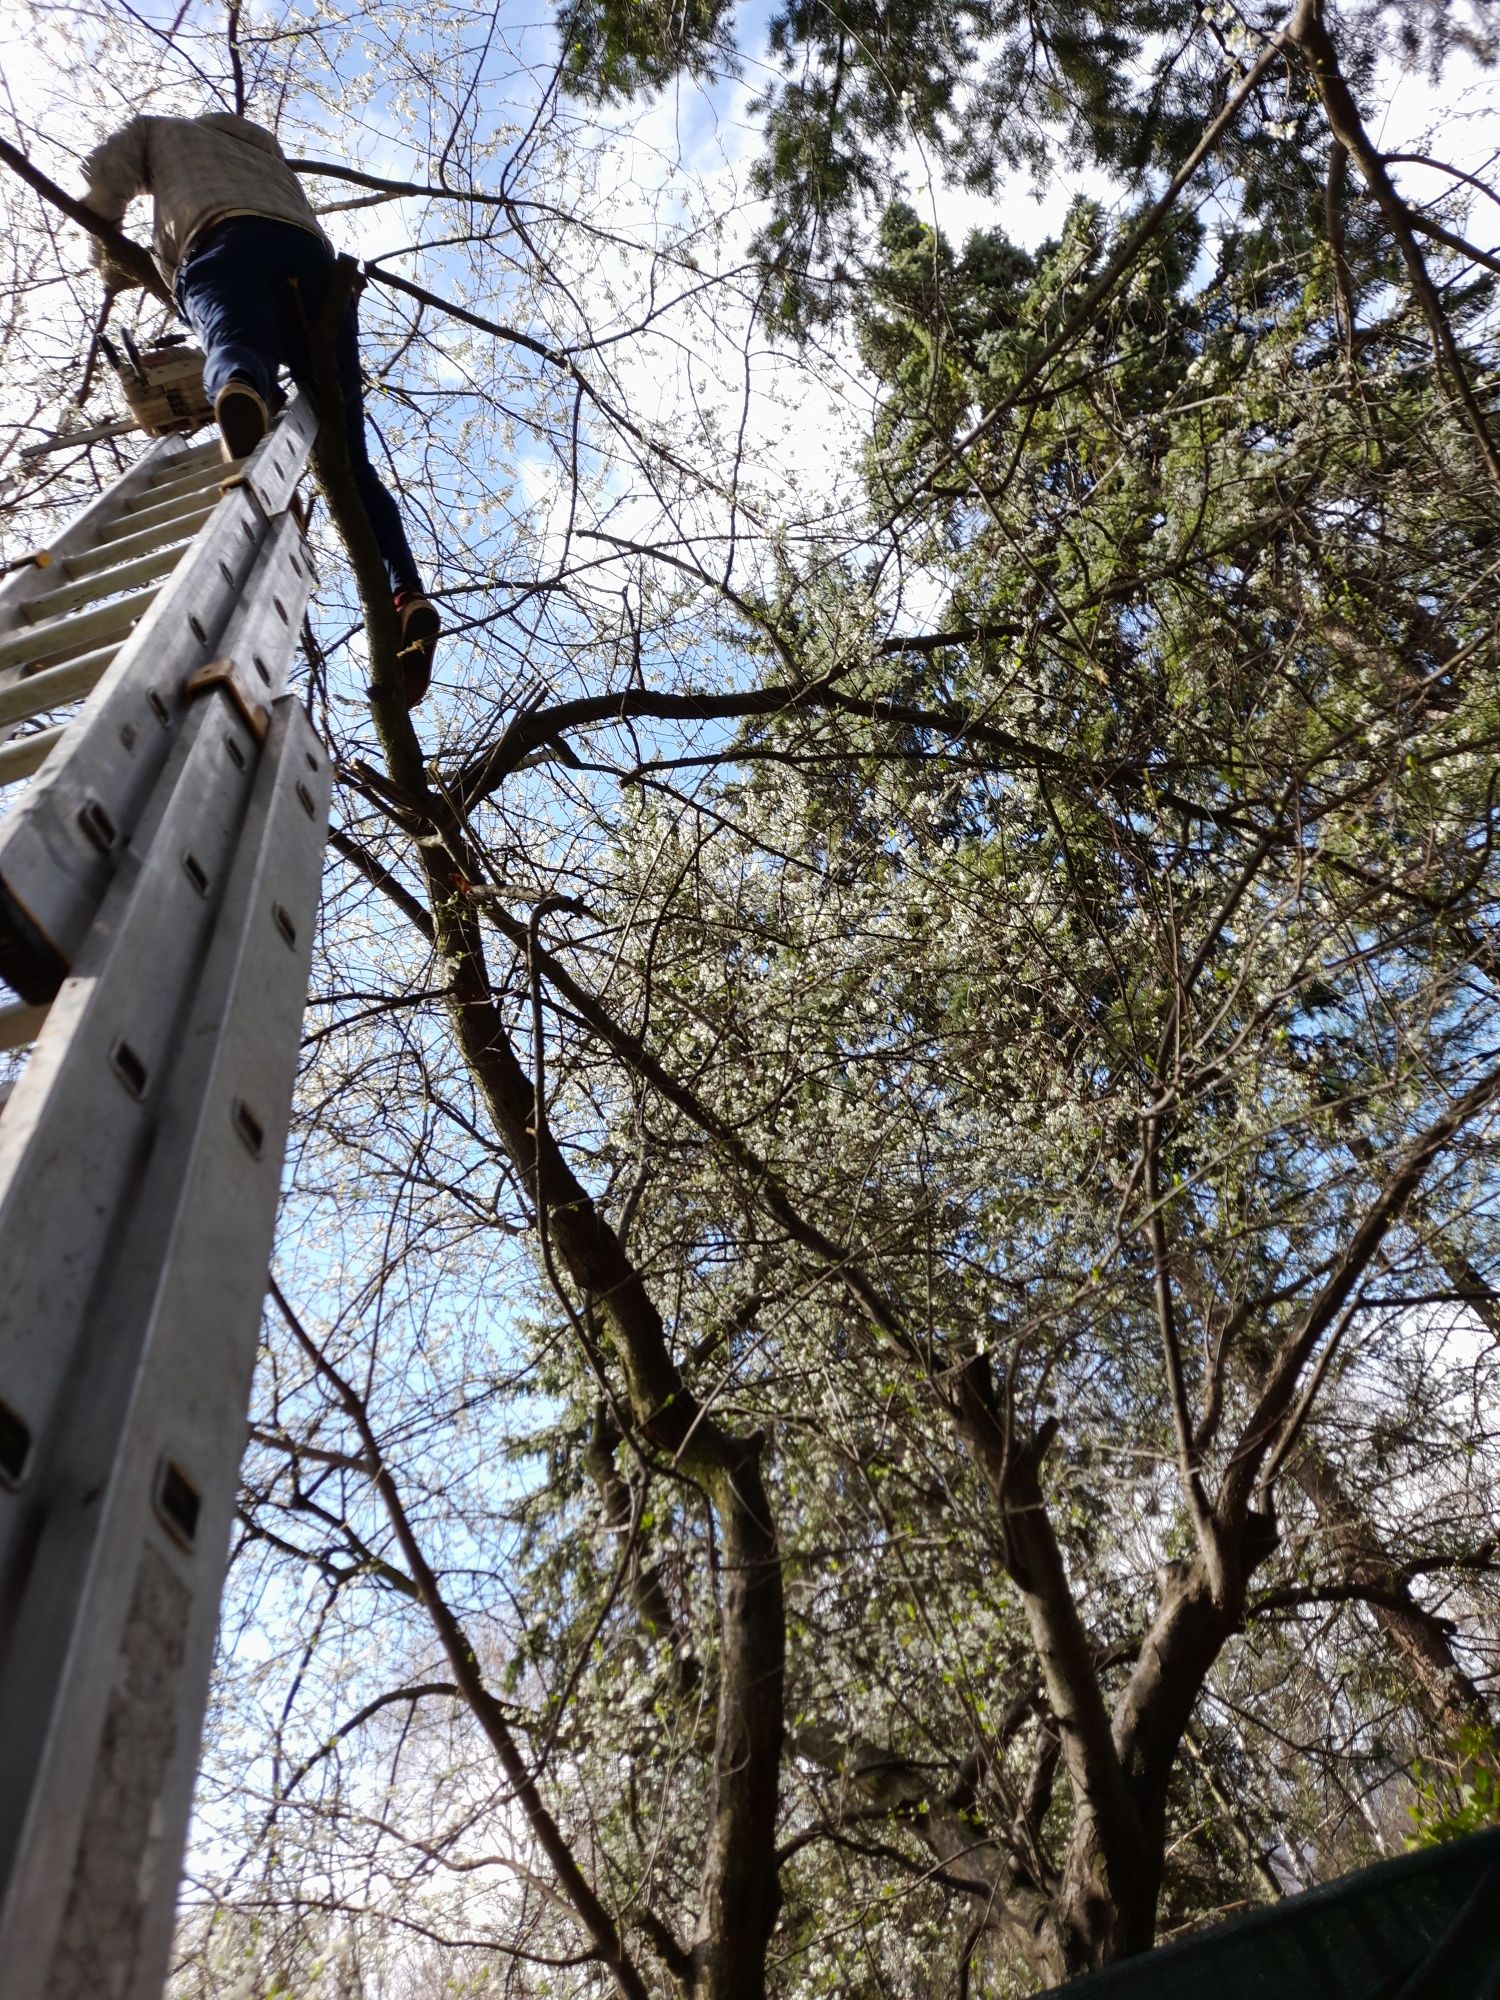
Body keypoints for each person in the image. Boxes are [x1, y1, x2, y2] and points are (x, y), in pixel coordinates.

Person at [80, 111, 439, 706]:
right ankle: (408, 595)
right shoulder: (266, 153)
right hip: (314, 264)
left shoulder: (161, 131)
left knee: (236, 344)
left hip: (222, 239)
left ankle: (243, 390)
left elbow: (103, 173)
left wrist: (108, 255)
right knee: (350, 456)